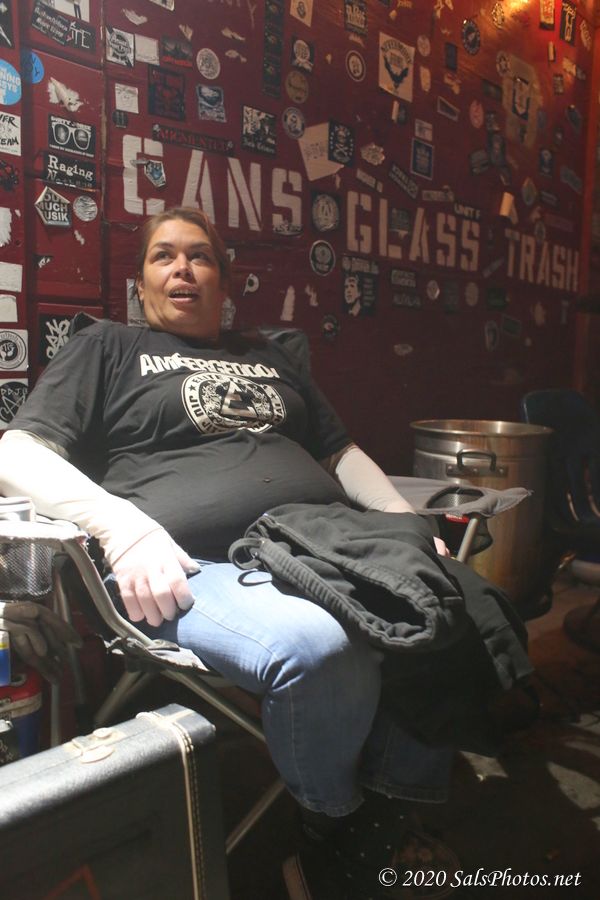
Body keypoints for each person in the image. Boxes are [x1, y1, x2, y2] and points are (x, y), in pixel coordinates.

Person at [0, 207, 528, 899]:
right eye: (164, 256)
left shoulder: (271, 357)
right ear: (142, 283)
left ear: (225, 283)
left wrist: (401, 521)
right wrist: (122, 528)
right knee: (318, 649)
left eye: (200, 256)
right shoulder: (108, 347)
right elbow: (16, 452)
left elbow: (339, 452)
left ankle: (374, 824)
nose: (182, 268)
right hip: (194, 560)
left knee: (445, 606)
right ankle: (331, 824)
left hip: (323, 536)